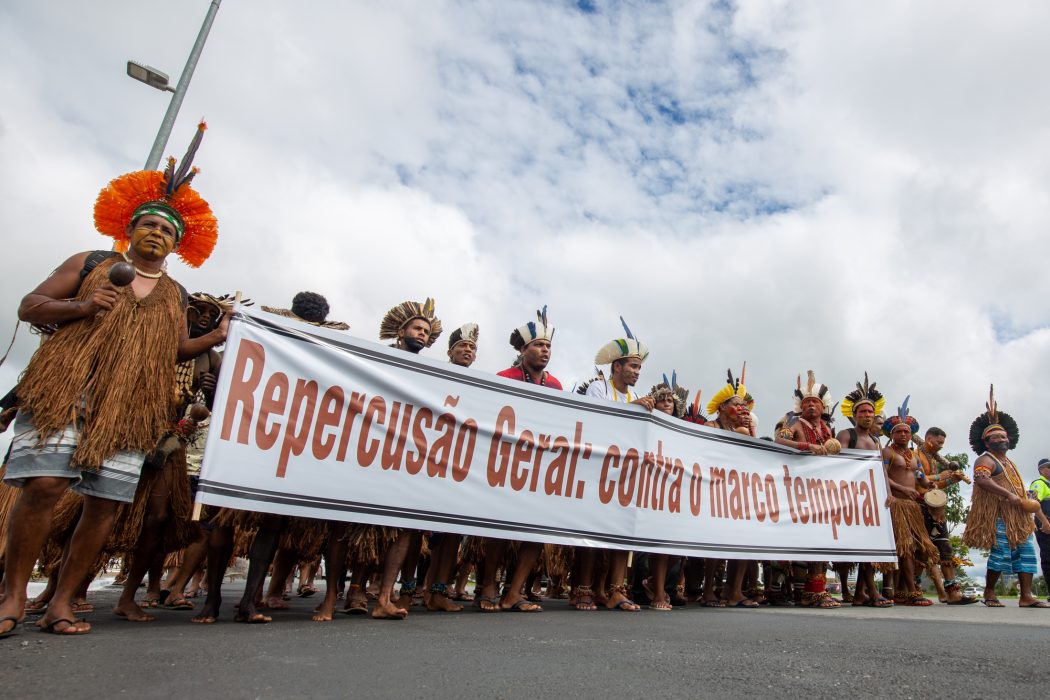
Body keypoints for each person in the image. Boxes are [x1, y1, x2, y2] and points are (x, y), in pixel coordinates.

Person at [0, 122, 224, 638]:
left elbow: (171, 351)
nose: (156, 233)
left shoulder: (176, 294)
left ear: (175, 242)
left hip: (129, 408)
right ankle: (12, 593)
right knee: (44, 486)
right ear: (130, 228)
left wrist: (213, 340)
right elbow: (30, 304)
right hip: (68, 391)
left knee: (103, 505)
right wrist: (81, 305)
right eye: (148, 224)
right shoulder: (93, 263)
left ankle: (62, 601)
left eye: (166, 230)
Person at [472, 308, 561, 612]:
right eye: (538, 345)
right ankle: (487, 586)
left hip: (539, 467)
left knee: (535, 530)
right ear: (523, 350)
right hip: (506, 461)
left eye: (548, 346)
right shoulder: (505, 378)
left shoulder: (555, 386)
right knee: (499, 527)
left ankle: (515, 591)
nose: (544, 350)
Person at [364, 298, 443, 619]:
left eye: (426, 330)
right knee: (364, 526)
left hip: (409, 453)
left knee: (403, 526)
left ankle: (385, 596)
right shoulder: (378, 357)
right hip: (374, 445)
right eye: (417, 328)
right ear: (401, 330)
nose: (422, 334)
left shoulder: (429, 372)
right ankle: (354, 591)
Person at [575, 317, 652, 612]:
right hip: (596, 469)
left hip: (625, 472)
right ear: (616, 367)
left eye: (639, 367)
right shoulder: (599, 389)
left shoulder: (636, 397)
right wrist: (636, 409)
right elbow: (598, 418)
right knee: (591, 531)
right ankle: (583, 588)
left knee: (622, 531)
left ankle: (616, 589)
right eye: (632, 366)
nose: (636, 372)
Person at [963, 387, 1050, 608]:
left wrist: (1042, 519)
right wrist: (1010, 496)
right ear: (986, 441)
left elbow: (1025, 495)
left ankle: (1026, 596)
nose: (1001, 439)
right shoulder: (986, 459)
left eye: (1003, 436)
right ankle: (990, 592)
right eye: (995, 437)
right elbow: (981, 480)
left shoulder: (1011, 464)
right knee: (1000, 554)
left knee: (1028, 555)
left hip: (1019, 518)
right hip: (999, 514)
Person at [775, 371, 841, 608]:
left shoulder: (827, 429)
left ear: (823, 407)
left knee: (822, 540)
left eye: (815, 402)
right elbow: (780, 441)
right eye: (807, 402)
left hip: (823, 490)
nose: (811, 405)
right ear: (800, 407)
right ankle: (801, 591)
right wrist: (808, 446)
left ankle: (815, 590)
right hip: (799, 489)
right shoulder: (793, 423)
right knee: (805, 540)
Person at [703, 368, 759, 608]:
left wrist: (751, 431)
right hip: (713, 490)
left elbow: (755, 457)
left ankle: (734, 590)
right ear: (722, 408)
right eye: (737, 405)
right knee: (714, 542)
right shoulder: (710, 426)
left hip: (738, 492)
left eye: (744, 406)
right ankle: (708, 590)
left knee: (743, 539)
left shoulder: (744, 431)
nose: (742, 408)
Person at [836, 374, 891, 607]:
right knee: (858, 547)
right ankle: (869, 592)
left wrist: (888, 492)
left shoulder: (877, 442)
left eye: (870, 412)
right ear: (854, 415)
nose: (867, 415)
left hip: (871, 499)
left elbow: (881, 470)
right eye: (862, 412)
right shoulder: (846, 435)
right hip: (849, 499)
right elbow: (834, 465)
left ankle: (861, 593)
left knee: (871, 547)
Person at [880, 398, 938, 606]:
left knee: (918, 549)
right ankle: (911, 592)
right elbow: (881, 476)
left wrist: (937, 482)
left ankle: (903, 590)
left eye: (906, 431)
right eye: (898, 431)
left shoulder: (914, 457)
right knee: (903, 548)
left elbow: (922, 479)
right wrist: (903, 488)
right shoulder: (887, 452)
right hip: (896, 505)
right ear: (892, 434)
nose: (903, 434)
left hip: (913, 508)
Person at [642, 372, 690, 610]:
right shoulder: (645, 423)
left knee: (677, 546)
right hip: (652, 485)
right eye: (662, 400)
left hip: (676, 487)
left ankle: (652, 582)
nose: (667, 404)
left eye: (670, 401)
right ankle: (659, 593)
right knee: (658, 541)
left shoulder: (684, 430)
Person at [914, 426, 977, 605]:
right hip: (918, 507)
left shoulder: (932, 459)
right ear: (928, 438)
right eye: (938, 442)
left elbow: (933, 487)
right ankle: (915, 590)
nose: (941, 446)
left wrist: (950, 480)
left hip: (936, 512)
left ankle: (953, 592)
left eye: (943, 443)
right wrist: (938, 476)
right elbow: (916, 479)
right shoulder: (914, 456)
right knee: (921, 551)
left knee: (946, 548)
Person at [1030, 458, 1050, 599]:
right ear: (1041, 470)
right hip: (1045, 524)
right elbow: (1034, 504)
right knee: (1048, 557)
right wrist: (1045, 522)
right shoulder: (1039, 483)